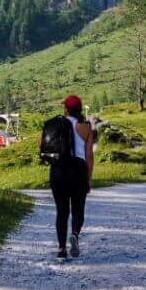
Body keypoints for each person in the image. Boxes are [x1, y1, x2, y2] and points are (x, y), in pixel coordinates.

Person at [49, 94, 94, 259]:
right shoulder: (86, 127)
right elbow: (89, 155)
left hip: (58, 169)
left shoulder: (56, 124)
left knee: (61, 211)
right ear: (80, 108)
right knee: (78, 208)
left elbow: (44, 146)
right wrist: (89, 178)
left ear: (66, 108)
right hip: (78, 169)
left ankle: (61, 249)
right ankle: (74, 234)